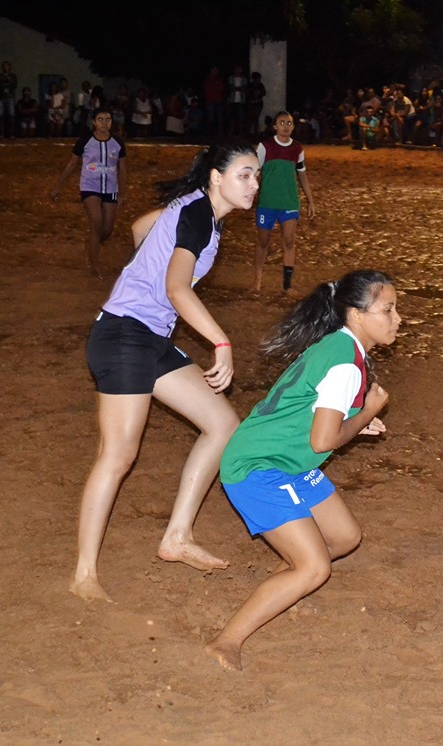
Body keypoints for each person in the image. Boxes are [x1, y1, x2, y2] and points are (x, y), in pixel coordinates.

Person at [70, 140, 259, 603]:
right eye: (244, 175)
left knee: (223, 425)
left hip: (149, 338)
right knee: (118, 455)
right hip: (123, 336)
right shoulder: (197, 215)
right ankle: (84, 575)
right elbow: (177, 288)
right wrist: (221, 341)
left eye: (256, 176)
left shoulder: (194, 210)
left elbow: (139, 228)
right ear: (216, 178)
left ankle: (176, 536)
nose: (254, 184)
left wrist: (147, 264)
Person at [205, 269, 400, 672]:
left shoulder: (341, 347)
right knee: (315, 567)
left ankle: (280, 591)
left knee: (344, 537)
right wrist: (367, 414)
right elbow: (323, 442)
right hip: (260, 466)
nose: (398, 319)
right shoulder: (345, 363)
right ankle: (227, 640)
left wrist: (359, 419)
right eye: (389, 310)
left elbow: (315, 413)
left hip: (288, 462)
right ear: (357, 315)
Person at [50, 107, 127, 277]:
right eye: (100, 119)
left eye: (107, 119)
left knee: (107, 229)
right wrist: (58, 186)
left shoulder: (118, 142)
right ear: (93, 122)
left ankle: (92, 246)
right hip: (89, 186)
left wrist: (122, 192)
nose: (104, 123)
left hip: (111, 188)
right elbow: (72, 164)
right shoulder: (84, 141)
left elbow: (122, 168)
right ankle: (93, 264)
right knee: (97, 223)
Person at [253, 110, 316, 294]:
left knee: (289, 241)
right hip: (267, 202)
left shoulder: (297, 149)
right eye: (282, 123)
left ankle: (287, 285)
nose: (286, 126)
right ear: (275, 126)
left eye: (289, 123)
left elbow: (302, 175)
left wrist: (310, 200)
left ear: (293, 127)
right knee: (263, 241)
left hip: (289, 203)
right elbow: (255, 172)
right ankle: (257, 281)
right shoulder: (265, 146)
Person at [0, 61, 18, 138]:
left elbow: (14, 85)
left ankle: (11, 133)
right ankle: (1, 134)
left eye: (7, 66)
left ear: (9, 67)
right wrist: (8, 82)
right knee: (0, 116)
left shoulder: (13, 76)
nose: (5, 67)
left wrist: (6, 82)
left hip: (10, 97)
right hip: (1, 98)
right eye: (4, 66)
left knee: (11, 116)